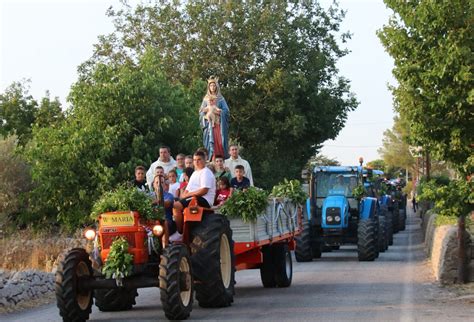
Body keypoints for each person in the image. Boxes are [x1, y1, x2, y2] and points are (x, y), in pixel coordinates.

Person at [171, 151, 216, 241]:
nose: (196, 162)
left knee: (175, 206)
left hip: (204, 199)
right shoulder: (195, 173)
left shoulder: (206, 172)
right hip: (194, 197)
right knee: (174, 203)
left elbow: (204, 190)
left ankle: (180, 232)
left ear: (205, 160)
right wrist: (184, 195)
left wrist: (187, 195)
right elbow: (188, 189)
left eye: (199, 159)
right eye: (195, 160)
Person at [199, 76, 230, 161]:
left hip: (218, 125)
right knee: (209, 142)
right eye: (211, 86)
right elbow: (201, 112)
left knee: (219, 142)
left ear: (216, 86)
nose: (212, 87)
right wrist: (205, 113)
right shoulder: (206, 99)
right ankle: (210, 158)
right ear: (208, 87)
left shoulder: (220, 98)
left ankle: (220, 159)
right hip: (209, 125)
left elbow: (226, 111)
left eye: (214, 85)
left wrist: (217, 112)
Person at [150, 175, 175, 245]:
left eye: (161, 182)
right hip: (150, 221)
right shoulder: (148, 195)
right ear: (153, 184)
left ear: (164, 184)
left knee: (164, 222)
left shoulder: (169, 195)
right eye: (157, 182)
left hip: (165, 220)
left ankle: (165, 246)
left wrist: (156, 201)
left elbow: (167, 203)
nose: (159, 184)